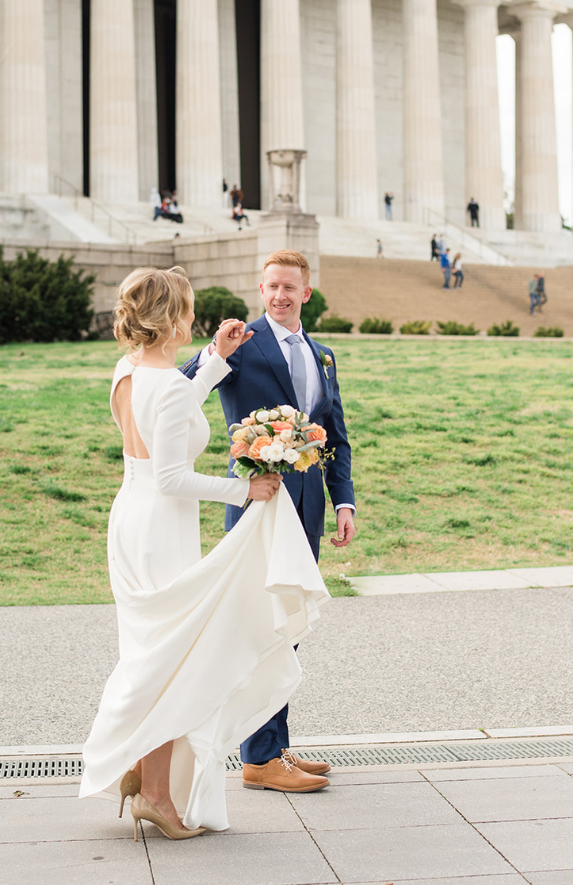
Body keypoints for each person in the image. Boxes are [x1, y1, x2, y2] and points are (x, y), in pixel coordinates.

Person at [79, 266, 327, 840]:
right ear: (171, 318)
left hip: (133, 518)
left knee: (157, 655)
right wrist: (246, 489)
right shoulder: (162, 383)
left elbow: (169, 419)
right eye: (188, 310)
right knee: (175, 661)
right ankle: (158, 795)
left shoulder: (130, 371)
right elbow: (172, 475)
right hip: (160, 526)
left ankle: (143, 771)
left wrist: (214, 362)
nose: (194, 319)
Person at [182, 250, 356, 794]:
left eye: (290, 287)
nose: (280, 295)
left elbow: (336, 434)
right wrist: (214, 350)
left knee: (289, 617)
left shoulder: (323, 355)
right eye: (271, 286)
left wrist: (343, 501)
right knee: (261, 620)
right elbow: (183, 390)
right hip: (257, 499)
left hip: (306, 503)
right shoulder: (243, 343)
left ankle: (274, 745)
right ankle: (258, 757)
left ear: (307, 293)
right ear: (261, 290)